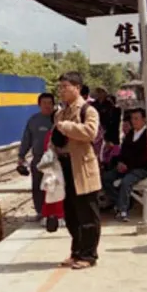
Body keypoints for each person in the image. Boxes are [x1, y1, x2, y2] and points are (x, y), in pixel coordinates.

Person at [52, 71, 102, 269]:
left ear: (77, 88)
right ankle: (77, 251)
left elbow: (90, 133)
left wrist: (66, 127)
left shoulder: (88, 110)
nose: (62, 91)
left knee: (87, 213)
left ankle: (89, 255)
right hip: (64, 166)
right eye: (60, 87)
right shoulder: (60, 113)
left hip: (82, 168)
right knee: (71, 214)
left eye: (66, 87)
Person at [105, 108, 147, 222]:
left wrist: (128, 166)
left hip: (141, 168)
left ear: (144, 119)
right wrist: (120, 162)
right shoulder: (130, 134)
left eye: (136, 118)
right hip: (125, 166)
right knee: (105, 179)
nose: (133, 121)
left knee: (126, 182)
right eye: (132, 119)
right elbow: (123, 152)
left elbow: (145, 157)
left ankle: (122, 210)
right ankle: (121, 202)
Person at [18, 92, 57, 222]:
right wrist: (21, 156)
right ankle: (40, 211)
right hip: (39, 158)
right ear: (39, 105)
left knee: (54, 186)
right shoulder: (33, 120)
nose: (47, 106)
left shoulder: (58, 119)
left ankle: (55, 212)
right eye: (44, 103)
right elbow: (26, 139)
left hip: (55, 159)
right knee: (37, 186)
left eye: (50, 103)